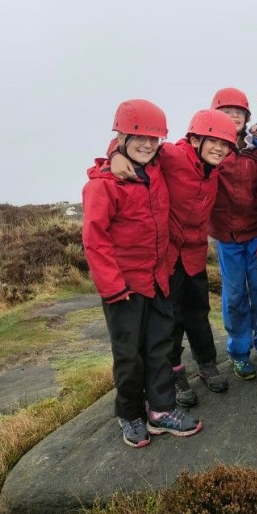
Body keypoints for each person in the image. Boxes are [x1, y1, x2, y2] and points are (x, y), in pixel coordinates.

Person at [82, 99, 202, 448]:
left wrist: (117, 153)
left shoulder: (157, 171)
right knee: (129, 354)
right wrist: (113, 288)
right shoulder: (103, 185)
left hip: (158, 281)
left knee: (160, 348)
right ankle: (130, 413)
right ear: (121, 136)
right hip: (124, 288)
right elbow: (95, 241)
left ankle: (161, 411)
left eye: (153, 138)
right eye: (138, 136)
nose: (147, 144)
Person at [108, 109, 237, 407]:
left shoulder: (214, 169)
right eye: (213, 141)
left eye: (225, 144)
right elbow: (139, 145)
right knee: (171, 318)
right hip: (168, 256)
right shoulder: (173, 155)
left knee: (199, 312)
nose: (219, 148)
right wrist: (115, 153)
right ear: (194, 140)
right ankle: (174, 373)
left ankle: (206, 364)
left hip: (194, 254)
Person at [208, 87, 257, 381]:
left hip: (256, 233)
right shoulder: (209, 148)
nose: (233, 116)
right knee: (235, 295)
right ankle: (239, 352)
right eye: (226, 112)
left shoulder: (256, 148)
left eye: (239, 112)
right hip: (226, 237)